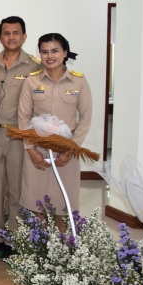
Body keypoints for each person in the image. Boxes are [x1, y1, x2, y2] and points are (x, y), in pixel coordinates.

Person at [0, 16, 40, 259]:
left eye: (16, 33)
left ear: (24, 37)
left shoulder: (34, 66)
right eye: (6, 33)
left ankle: (14, 238)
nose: (11, 37)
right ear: (0, 37)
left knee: (17, 188)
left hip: (18, 134)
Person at [19, 33, 92, 228]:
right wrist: (31, 150)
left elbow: (85, 118)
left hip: (66, 151)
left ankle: (62, 243)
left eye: (54, 51)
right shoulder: (32, 81)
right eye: (44, 52)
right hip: (38, 149)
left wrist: (70, 150)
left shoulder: (78, 81)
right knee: (36, 203)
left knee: (63, 204)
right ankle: (39, 244)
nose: (49, 56)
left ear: (65, 53)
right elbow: (24, 117)